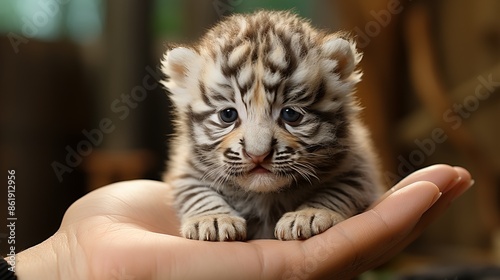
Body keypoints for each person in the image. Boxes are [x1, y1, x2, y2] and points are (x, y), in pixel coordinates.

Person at [5, 164, 472, 279]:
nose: (256, 147)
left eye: (291, 113)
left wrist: (329, 208)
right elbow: (185, 183)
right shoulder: (196, 167)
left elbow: (358, 181)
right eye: (228, 115)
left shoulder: (342, 155)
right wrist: (71, 260)